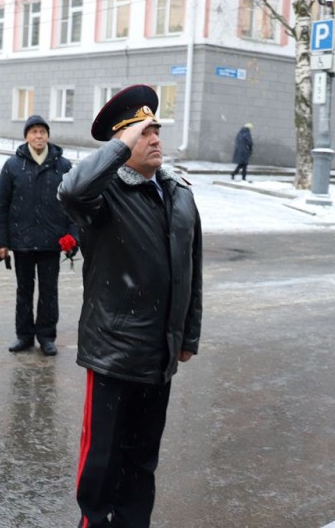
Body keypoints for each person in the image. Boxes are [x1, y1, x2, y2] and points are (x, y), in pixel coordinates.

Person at [57, 84, 202, 528]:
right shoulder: (103, 197)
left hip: (159, 353)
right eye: (143, 133)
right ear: (122, 145)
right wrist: (121, 144)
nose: (155, 138)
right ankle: (94, 523)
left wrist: (187, 335)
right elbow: (72, 189)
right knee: (102, 457)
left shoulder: (179, 194)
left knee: (142, 458)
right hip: (113, 352)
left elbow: (191, 270)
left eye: (156, 129)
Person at [0, 115, 77, 357]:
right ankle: (24, 335)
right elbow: (0, 205)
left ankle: (47, 336)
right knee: (24, 290)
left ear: (48, 135)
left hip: (52, 241)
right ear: (26, 136)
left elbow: (73, 205)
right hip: (23, 241)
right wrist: (1, 242)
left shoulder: (63, 166)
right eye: (34, 132)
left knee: (49, 291)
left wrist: (73, 237)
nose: (38, 136)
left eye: (42, 131)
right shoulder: (13, 166)